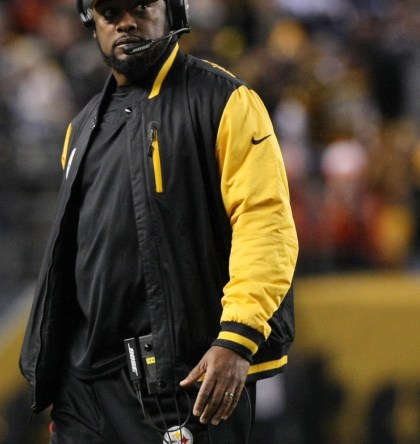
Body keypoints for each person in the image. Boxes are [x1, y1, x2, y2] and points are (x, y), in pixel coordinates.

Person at [19, 0, 299, 442]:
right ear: (93, 24)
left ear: (172, 13)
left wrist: (237, 337)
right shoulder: (81, 127)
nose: (125, 22)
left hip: (185, 382)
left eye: (140, 7)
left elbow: (264, 221)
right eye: (110, 11)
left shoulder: (224, 100)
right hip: (87, 390)